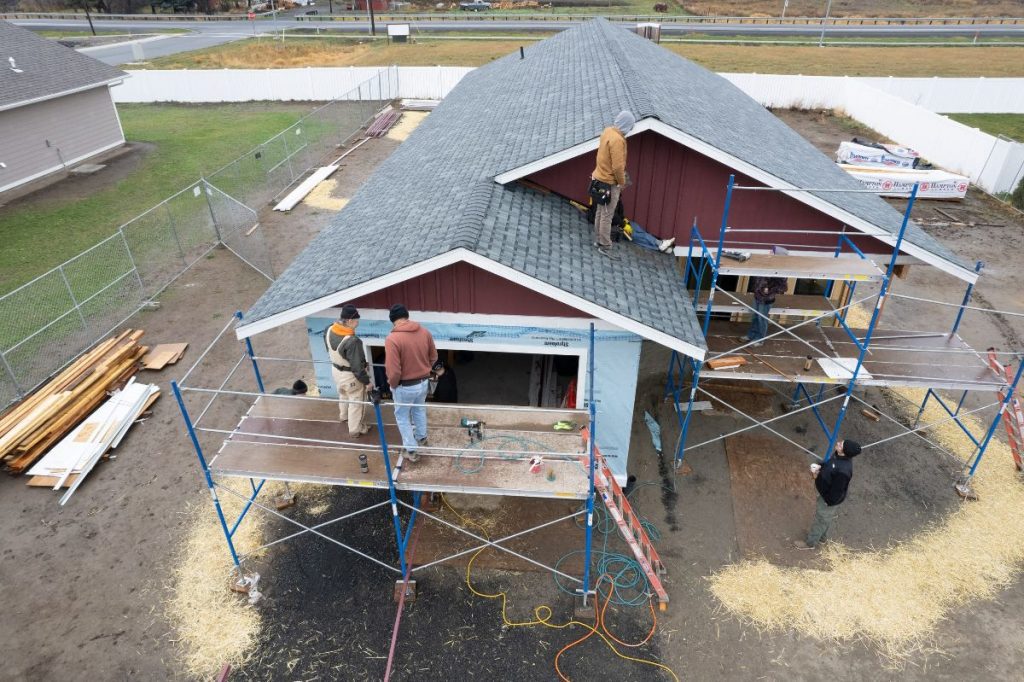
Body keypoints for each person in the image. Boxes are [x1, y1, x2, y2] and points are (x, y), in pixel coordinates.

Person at [385, 304, 438, 463]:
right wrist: (424, 368)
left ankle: (412, 450)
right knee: (418, 410)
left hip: (404, 386)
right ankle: (422, 438)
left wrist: (393, 385)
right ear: (407, 316)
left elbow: (393, 371)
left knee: (402, 417)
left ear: (393, 321)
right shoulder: (424, 332)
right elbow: (434, 356)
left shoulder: (392, 339)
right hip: (423, 382)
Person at [794, 439, 862, 550]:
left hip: (829, 500)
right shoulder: (838, 455)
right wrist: (821, 466)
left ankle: (810, 543)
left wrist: (826, 500)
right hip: (826, 495)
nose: (839, 443)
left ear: (845, 451)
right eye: (841, 442)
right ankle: (822, 537)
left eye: (841, 445)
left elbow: (836, 492)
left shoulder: (843, 472)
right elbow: (829, 465)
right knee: (825, 518)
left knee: (821, 519)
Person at [590, 110, 635, 259]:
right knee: (607, 215)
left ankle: (598, 239)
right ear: (627, 126)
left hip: (598, 178)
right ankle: (605, 245)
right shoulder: (618, 141)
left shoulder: (607, 131)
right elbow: (617, 167)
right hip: (609, 183)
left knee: (599, 211)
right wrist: (621, 183)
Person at [325, 304, 371, 437]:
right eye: (357, 320)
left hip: (335, 370)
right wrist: (367, 382)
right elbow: (357, 368)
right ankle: (356, 429)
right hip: (350, 375)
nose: (358, 323)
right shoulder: (352, 341)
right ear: (350, 321)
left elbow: (328, 348)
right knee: (357, 402)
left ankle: (343, 416)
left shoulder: (329, 329)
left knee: (343, 394)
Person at [741, 276, 787, 346]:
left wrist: (769, 290)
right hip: (757, 296)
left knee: (762, 319)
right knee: (755, 316)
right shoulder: (765, 268)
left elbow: (783, 287)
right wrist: (757, 288)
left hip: (766, 299)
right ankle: (751, 335)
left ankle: (760, 340)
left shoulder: (779, 271)